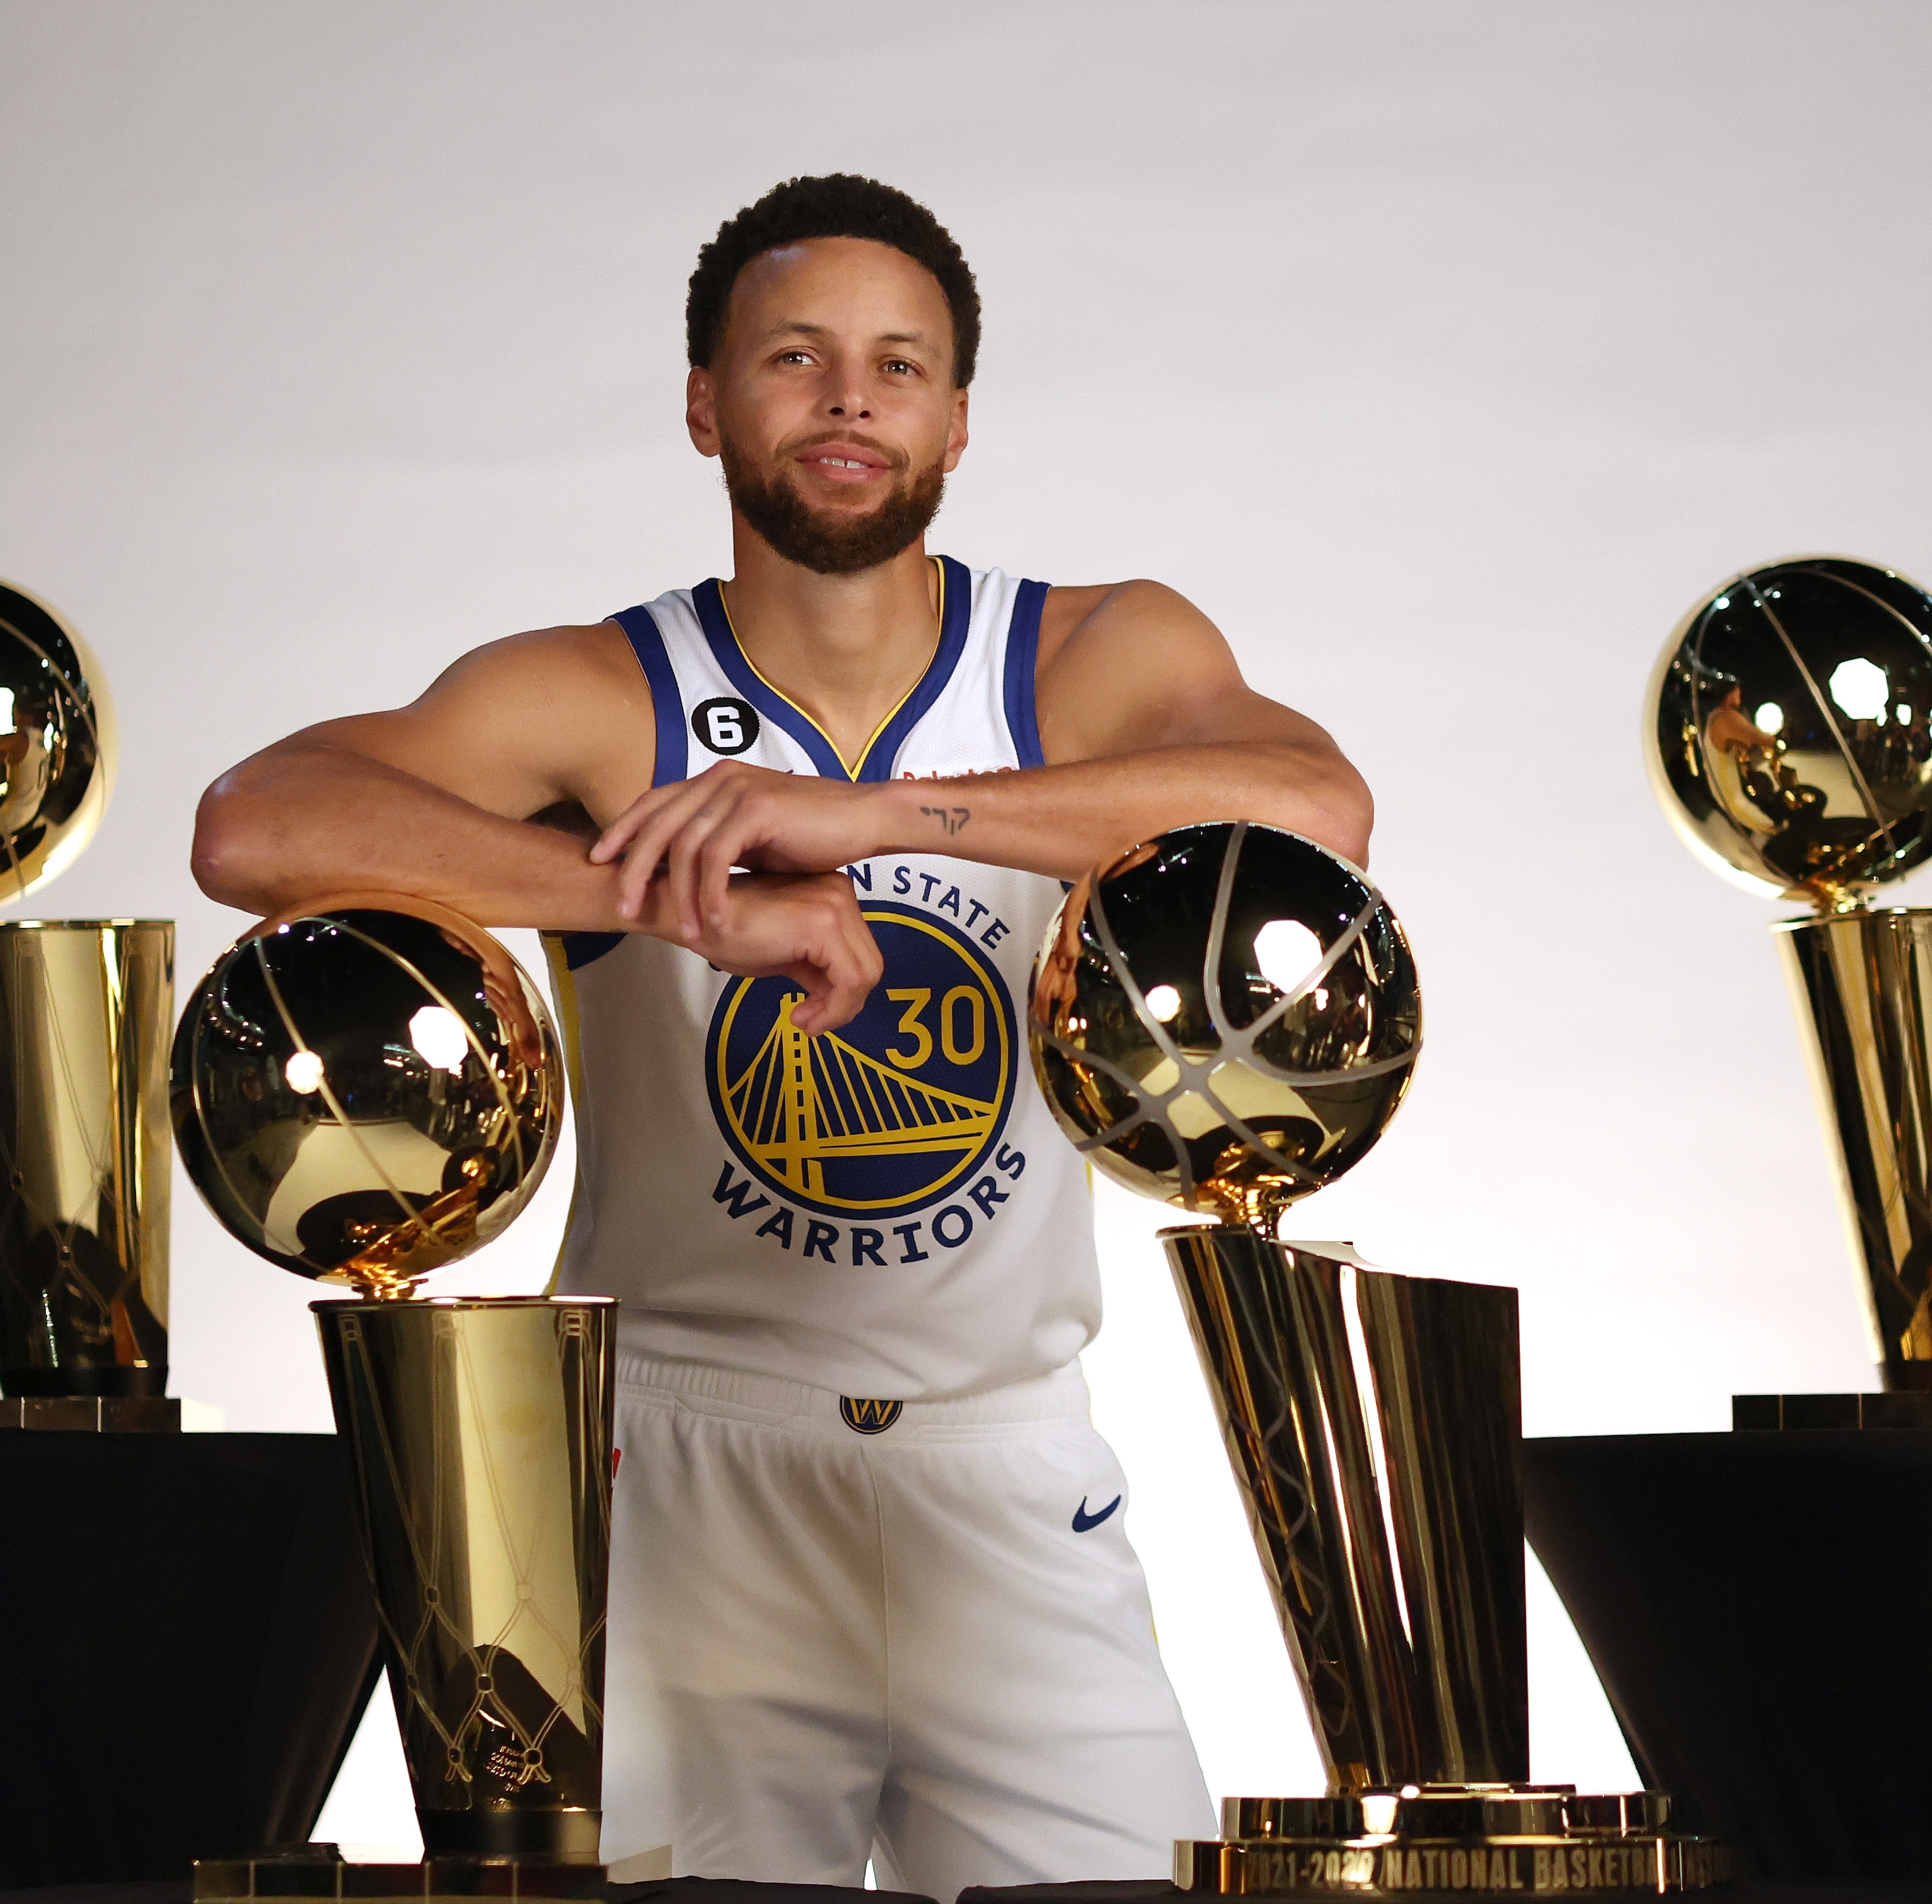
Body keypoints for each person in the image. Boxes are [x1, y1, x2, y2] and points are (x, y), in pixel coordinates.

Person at [192, 174, 1373, 1901]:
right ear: (705, 404)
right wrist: (669, 894)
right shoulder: (602, 693)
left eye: (899, 366)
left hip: (1006, 1458)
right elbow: (257, 825)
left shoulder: (1092, 656)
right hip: (686, 1468)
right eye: (795, 357)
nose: (848, 397)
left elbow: (1320, 807)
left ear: (959, 419)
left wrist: (870, 813)